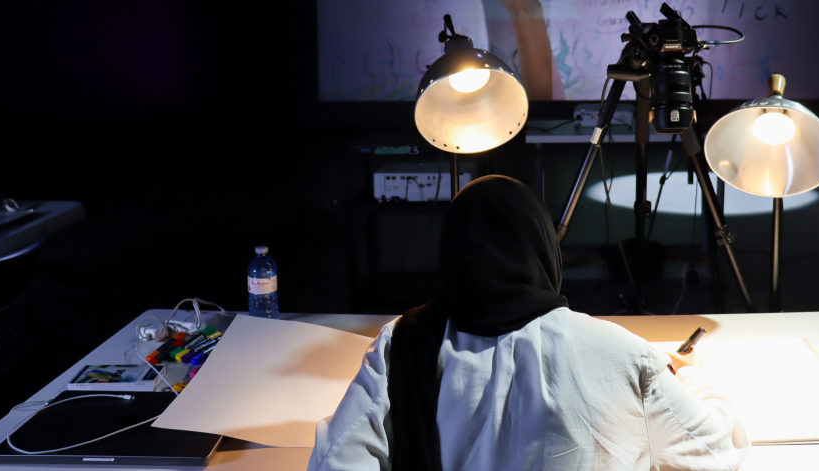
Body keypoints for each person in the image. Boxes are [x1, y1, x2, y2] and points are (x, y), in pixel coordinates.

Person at [307, 175, 749, 471]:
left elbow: (335, 461)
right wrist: (691, 377)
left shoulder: (404, 341)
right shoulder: (620, 353)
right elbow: (717, 450)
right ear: (543, 250)